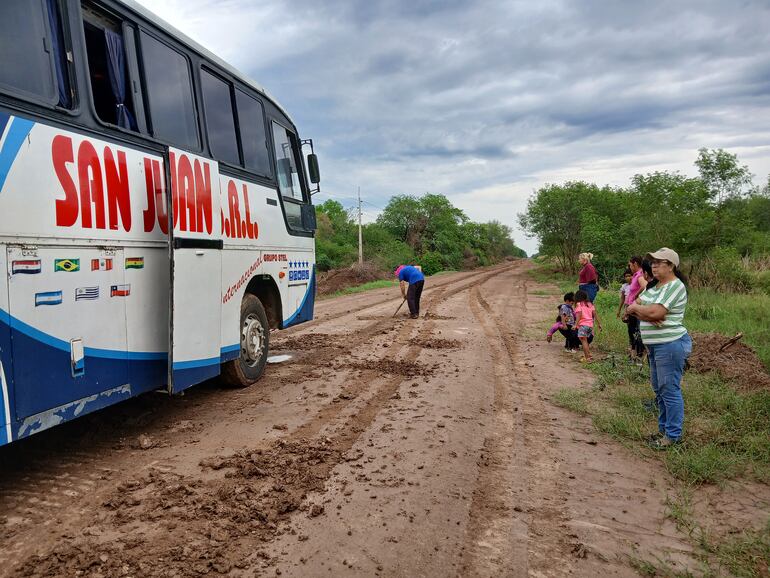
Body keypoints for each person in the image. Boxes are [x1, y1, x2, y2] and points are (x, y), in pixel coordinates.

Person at [626, 248, 691, 450]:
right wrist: (643, 311)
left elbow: (655, 311)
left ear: (671, 266)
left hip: (670, 344)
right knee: (659, 389)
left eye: (658, 262)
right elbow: (634, 306)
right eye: (652, 262)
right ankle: (663, 430)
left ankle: (672, 435)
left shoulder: (674, 286)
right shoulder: (653, 287)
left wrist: (645, 311)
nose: (653, 266)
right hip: (655, 346)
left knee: (669, 390)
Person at [624, 257, 646, 363]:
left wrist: (636, 296)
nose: (629, 267)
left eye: (630, 265)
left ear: (635, 264)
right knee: (632, 331)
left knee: (636, 331)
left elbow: (644, 286)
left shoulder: (640, 274)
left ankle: (638, 356)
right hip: (631, 307)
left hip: (636, 308)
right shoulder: (636, 275)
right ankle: (633, 356)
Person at [573, 289, 601, 362]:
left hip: (583, 325)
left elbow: (579, 315)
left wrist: (575, 325)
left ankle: (587, 358)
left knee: (584, 341)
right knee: (585, 341)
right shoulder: (590, 304)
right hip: (590, 325)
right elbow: (595, 314)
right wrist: (599, 324)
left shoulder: (579, 304)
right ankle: (589, 355)